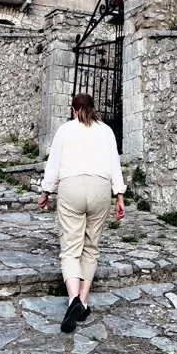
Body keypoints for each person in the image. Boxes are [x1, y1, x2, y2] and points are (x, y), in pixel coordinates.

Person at [38, 93, 126, 333]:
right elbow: (114, 164)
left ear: (73, 110)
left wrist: (46, 192)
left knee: (70, 248)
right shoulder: (106, 131)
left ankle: (73, 300)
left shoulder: (65, 130)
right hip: (100, 188)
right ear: (93, 108)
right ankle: (83, 302)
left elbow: (53, 165)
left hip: (71, 187)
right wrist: (119, 195)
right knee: (90, 247)